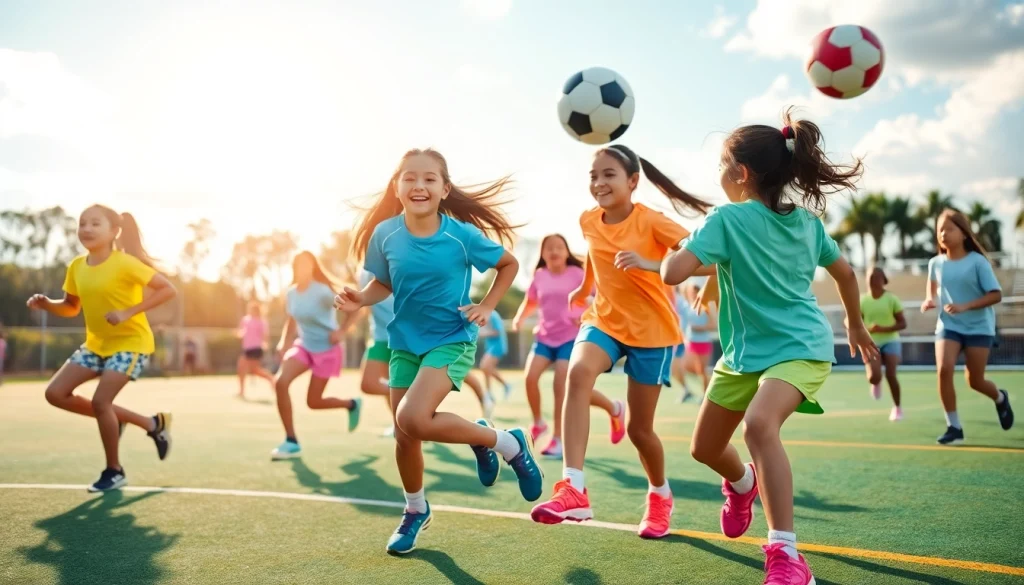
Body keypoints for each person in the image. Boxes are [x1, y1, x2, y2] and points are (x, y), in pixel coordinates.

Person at [660, 110, 878, 585]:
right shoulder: (799, 222)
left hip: (800, 347)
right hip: (743, 356)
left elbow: (672, 272)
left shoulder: (727, 219)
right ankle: (742, 484)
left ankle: (786, 554)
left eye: (722, 164)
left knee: (760, 426)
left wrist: (678, 246)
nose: (718, 173)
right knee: (704, 448)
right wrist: (856, 325)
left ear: (740, 174)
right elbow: (844, 273)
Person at [338, 148, 543, 555]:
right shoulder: (386, 235)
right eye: (409, 178)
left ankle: (506, 443)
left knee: (411, 417)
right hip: (404, 343)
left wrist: (487, 305)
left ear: (444, 189)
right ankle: (416, 510)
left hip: (452, 338)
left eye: (429, 179)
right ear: (397, 188)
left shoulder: (459, 235)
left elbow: (507, 264)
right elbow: (384, 282)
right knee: (404, 434)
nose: (419, 185)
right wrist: (361, 298)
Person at [531, 144, 712, 540]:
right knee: (577, 374)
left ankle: (659, 494)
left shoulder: (653, 222)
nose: (599, 183)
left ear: (632, 182)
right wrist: (585, 288)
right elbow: (598, 255)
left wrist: (652, 263)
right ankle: (573, 487)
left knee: (640, 431)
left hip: (653, 332)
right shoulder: (587, 220)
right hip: (605, 320)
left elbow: (710, 257)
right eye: (593, 176)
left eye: (609, 174)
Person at [27, 204, 176, 492]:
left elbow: (168, 289)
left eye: (95, 224)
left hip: (131, 344)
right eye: (82, 224)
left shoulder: (125, 263)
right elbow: (72, 307)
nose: (86, 229)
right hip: (96, 345)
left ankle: (114, 471)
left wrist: (128, 312)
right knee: (55, 394)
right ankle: (151, 424)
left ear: (114, 232)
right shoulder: (76, 267)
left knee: (100, 403)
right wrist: (46, 304)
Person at [512, 233, 625, 459]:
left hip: (571, 338)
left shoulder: (578, 274)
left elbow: (602, 297)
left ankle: (558, 438)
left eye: (559, 247)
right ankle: (539, 423)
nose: (554, 252)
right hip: (545, 337)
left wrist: (585, 314)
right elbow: (531, 301)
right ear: (542, 254)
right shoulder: (540, 276)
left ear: (567, 252)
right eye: (549, 248)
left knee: (561, 386)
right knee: (530, 377)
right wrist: (519, 318)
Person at [923, 209, 1013, 445]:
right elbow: (932, 290)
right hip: (948, 325)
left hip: (978, 327)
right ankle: (954, 426)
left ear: (963, 233)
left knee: (975, 380)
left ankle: (1000, 398)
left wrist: (965, 306)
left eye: (950, 228)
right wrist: (929, 301)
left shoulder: (978, 262)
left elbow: (995, 295)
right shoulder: (935, 263)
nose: (943, 233)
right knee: (944, 370)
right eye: (940, 229)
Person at [270, 251, 362, 460]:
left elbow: (355, 308)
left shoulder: (322, 292)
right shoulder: (291, 293)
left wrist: (342, 331)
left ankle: (351, 404)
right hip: (304, 347)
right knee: (281, 382)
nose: (302, 269)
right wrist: (284, 342)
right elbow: (291, 320)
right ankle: (291, 441)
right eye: (298, 265)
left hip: (327, 351)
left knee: (314, 402)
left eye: (306, 265)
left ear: (313, 268)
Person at [860, 267, 906, 421]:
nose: (873, 280)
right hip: (871, 343)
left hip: (890, 340)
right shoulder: (862, 300)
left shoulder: (891, 299)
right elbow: (854, 322)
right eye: (870, 277)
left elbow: (902, 323)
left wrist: (883, 329)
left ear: (883, 280)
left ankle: (897, 408)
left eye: (876, 277)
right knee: (873, 377)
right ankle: (876, 381)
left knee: (891, 374)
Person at [677, 278, 717, 400]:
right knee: (685, 367)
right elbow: (682, 289)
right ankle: (697, 390)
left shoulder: (705, 307)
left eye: (696, 290)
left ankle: (706, 395)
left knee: (701, 371)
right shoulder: (688, 305)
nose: (693, 293)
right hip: (690, 342)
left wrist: (700, 328)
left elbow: (713, 325)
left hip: (703, 342)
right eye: (692, 291)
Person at [237, 301, 274, 398]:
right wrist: (239, 335)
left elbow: (265, 335)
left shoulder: (262, 321)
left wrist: (266, 344)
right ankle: (241, 391)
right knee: (241, 368)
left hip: (256, 348)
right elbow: (243, 332)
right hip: (247, 348)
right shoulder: (245, 320)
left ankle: (271, 379)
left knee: (255, 370)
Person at [477, 309, 512, 400]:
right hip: (490, 346)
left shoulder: (493, 315)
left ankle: (489, 393)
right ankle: (504, 386)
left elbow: (497, 332)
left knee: (484, 366)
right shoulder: (485, 315)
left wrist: (482, 334)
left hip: (498, 346)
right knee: (486, 368)